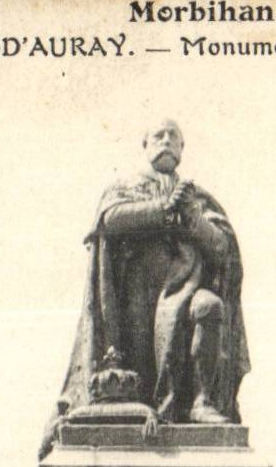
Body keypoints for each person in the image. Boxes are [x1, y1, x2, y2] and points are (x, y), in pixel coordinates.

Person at [51, 119, 250, 431]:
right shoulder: (125, 187)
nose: (166, 140)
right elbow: (110, 219)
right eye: (159, 135)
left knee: (209, 307)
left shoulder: (198, 198)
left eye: (174, 136)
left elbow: (223, 248)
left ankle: (202, 402)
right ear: (145, 146)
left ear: (182, 148)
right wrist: (164, 209)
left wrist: (193, 218)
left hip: (188, 288)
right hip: (139, 297)